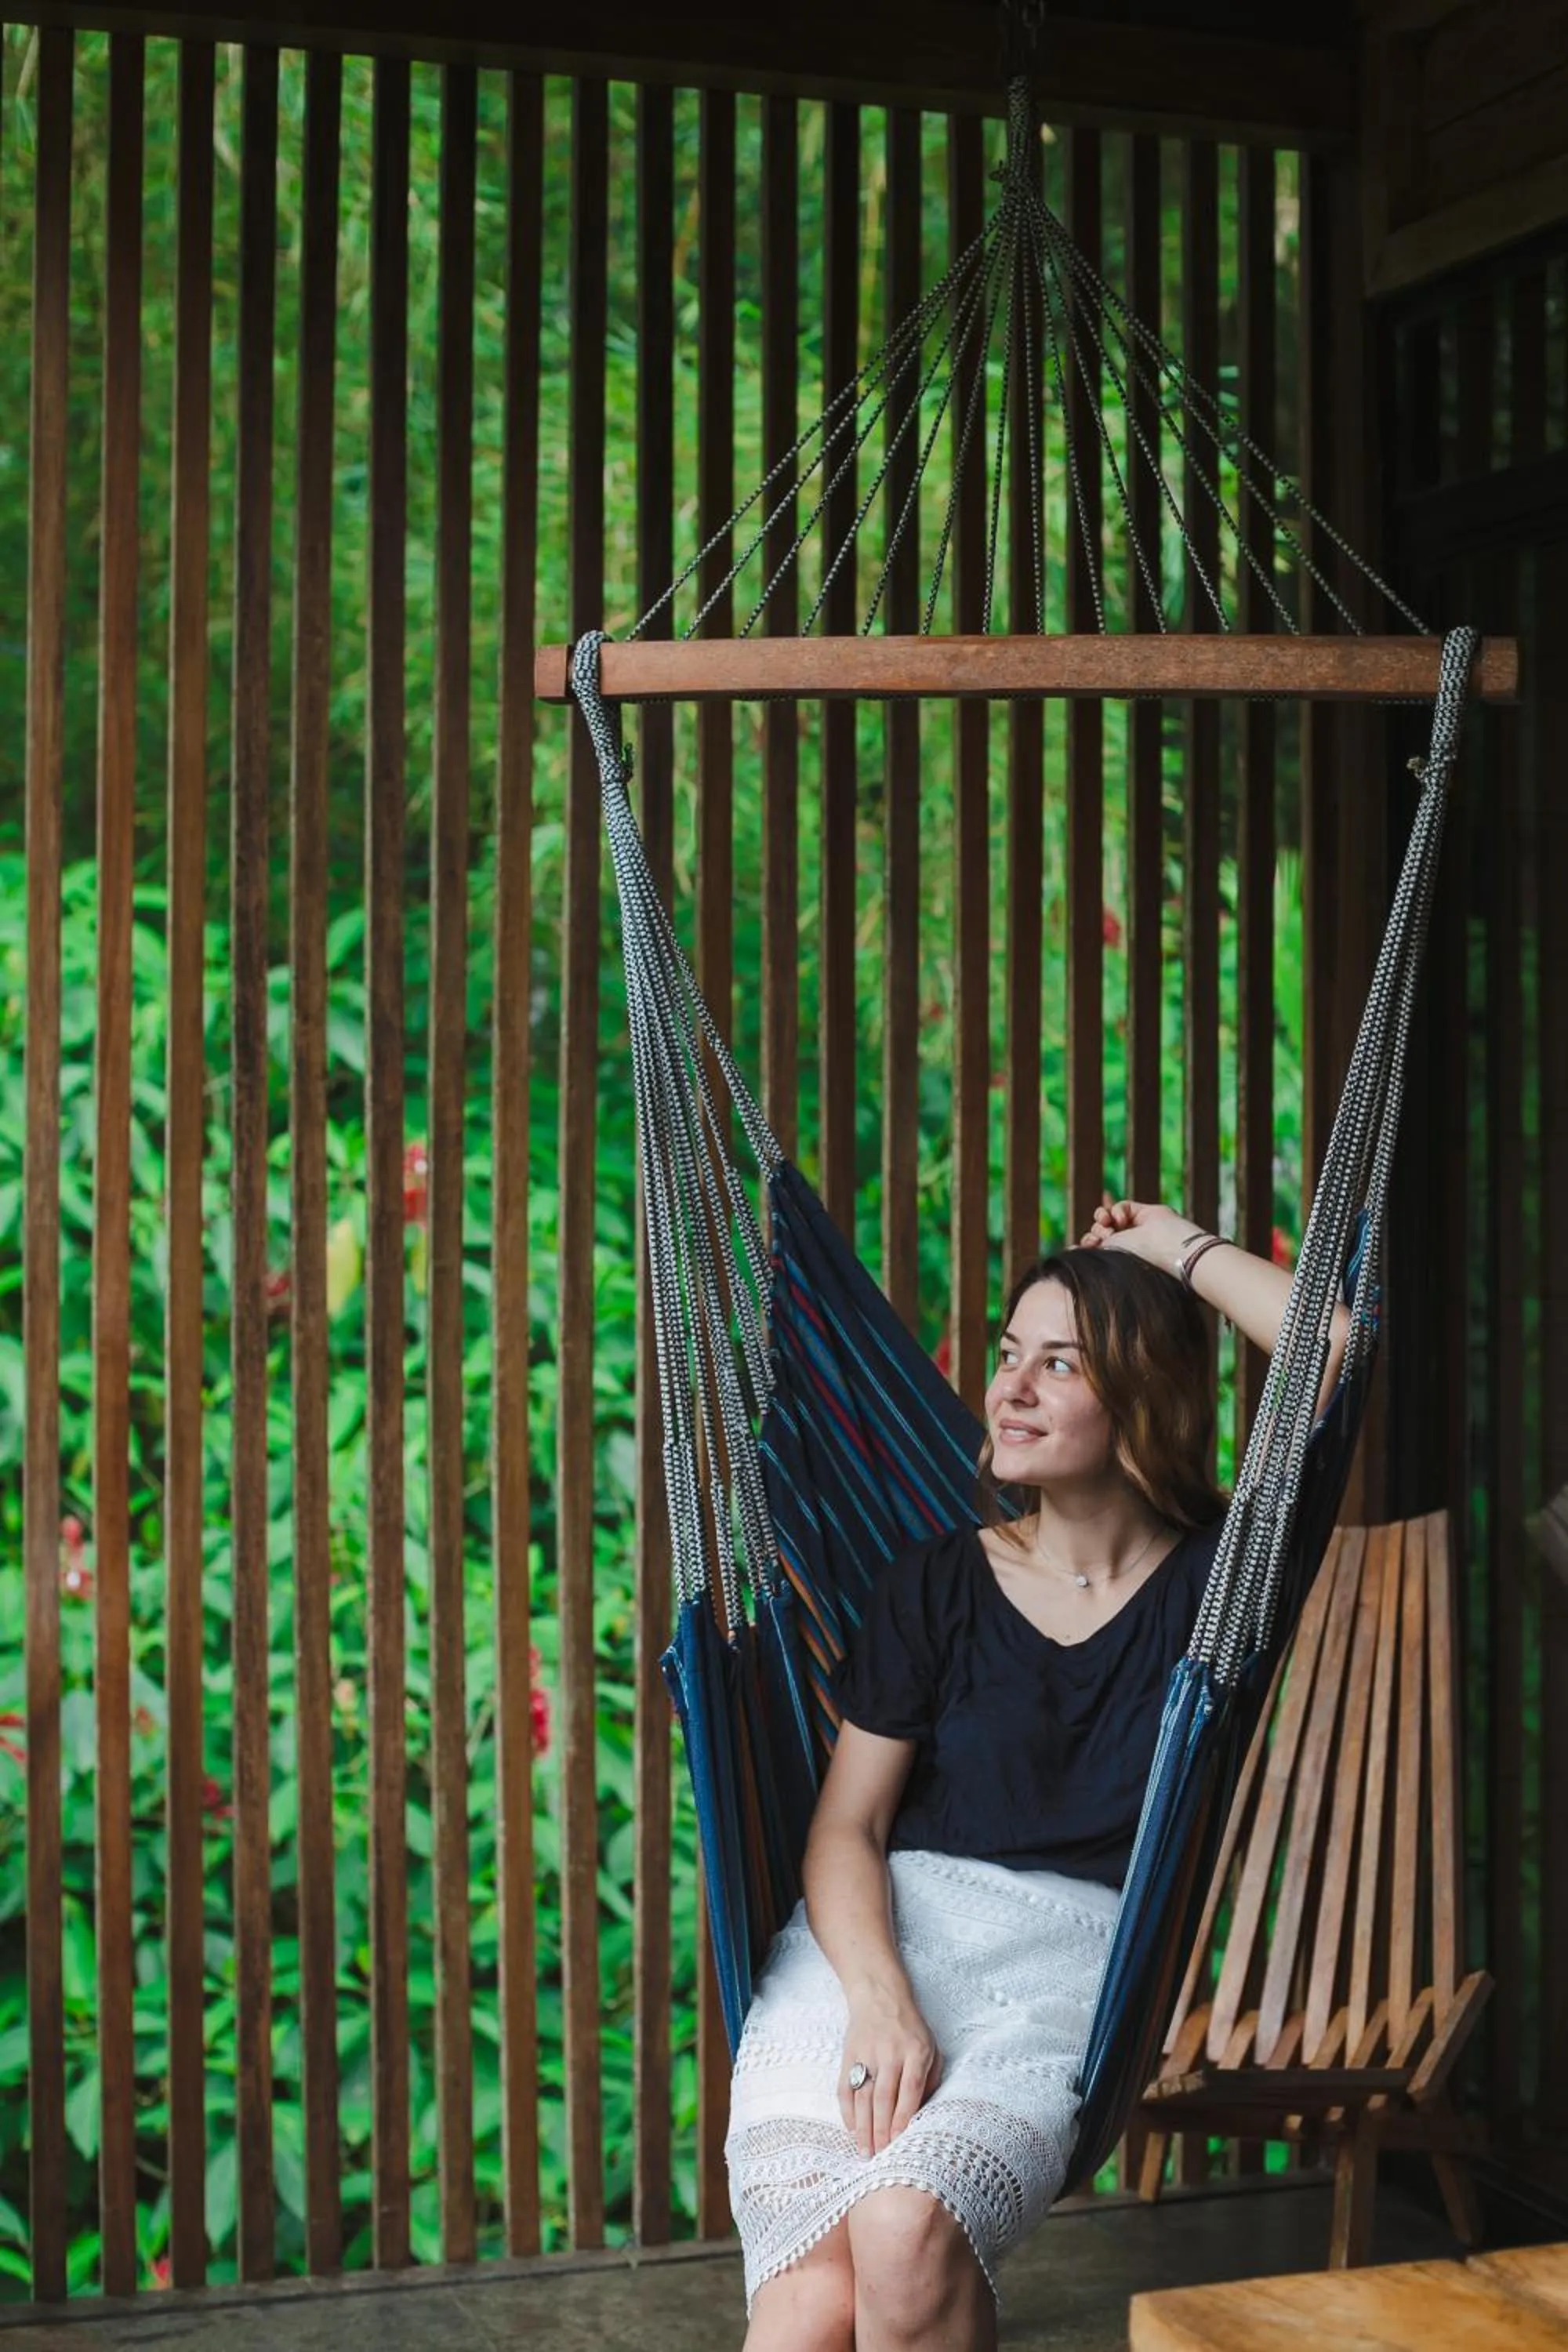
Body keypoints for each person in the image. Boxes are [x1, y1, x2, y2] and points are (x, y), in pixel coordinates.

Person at [725, 1196, 1348, 2352]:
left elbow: (1332, 1351)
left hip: (1059, 1975)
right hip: (866, 1957)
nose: (1008, 1389)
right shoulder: (934, 1584)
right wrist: (880, 2000)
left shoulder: (1217, 1591)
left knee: (908, 2228)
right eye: (1010, 1355)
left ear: (1141, 1394)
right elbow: (846, 1830)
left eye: (1057, 1364)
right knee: (811, 2307)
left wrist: (1169, 1245)